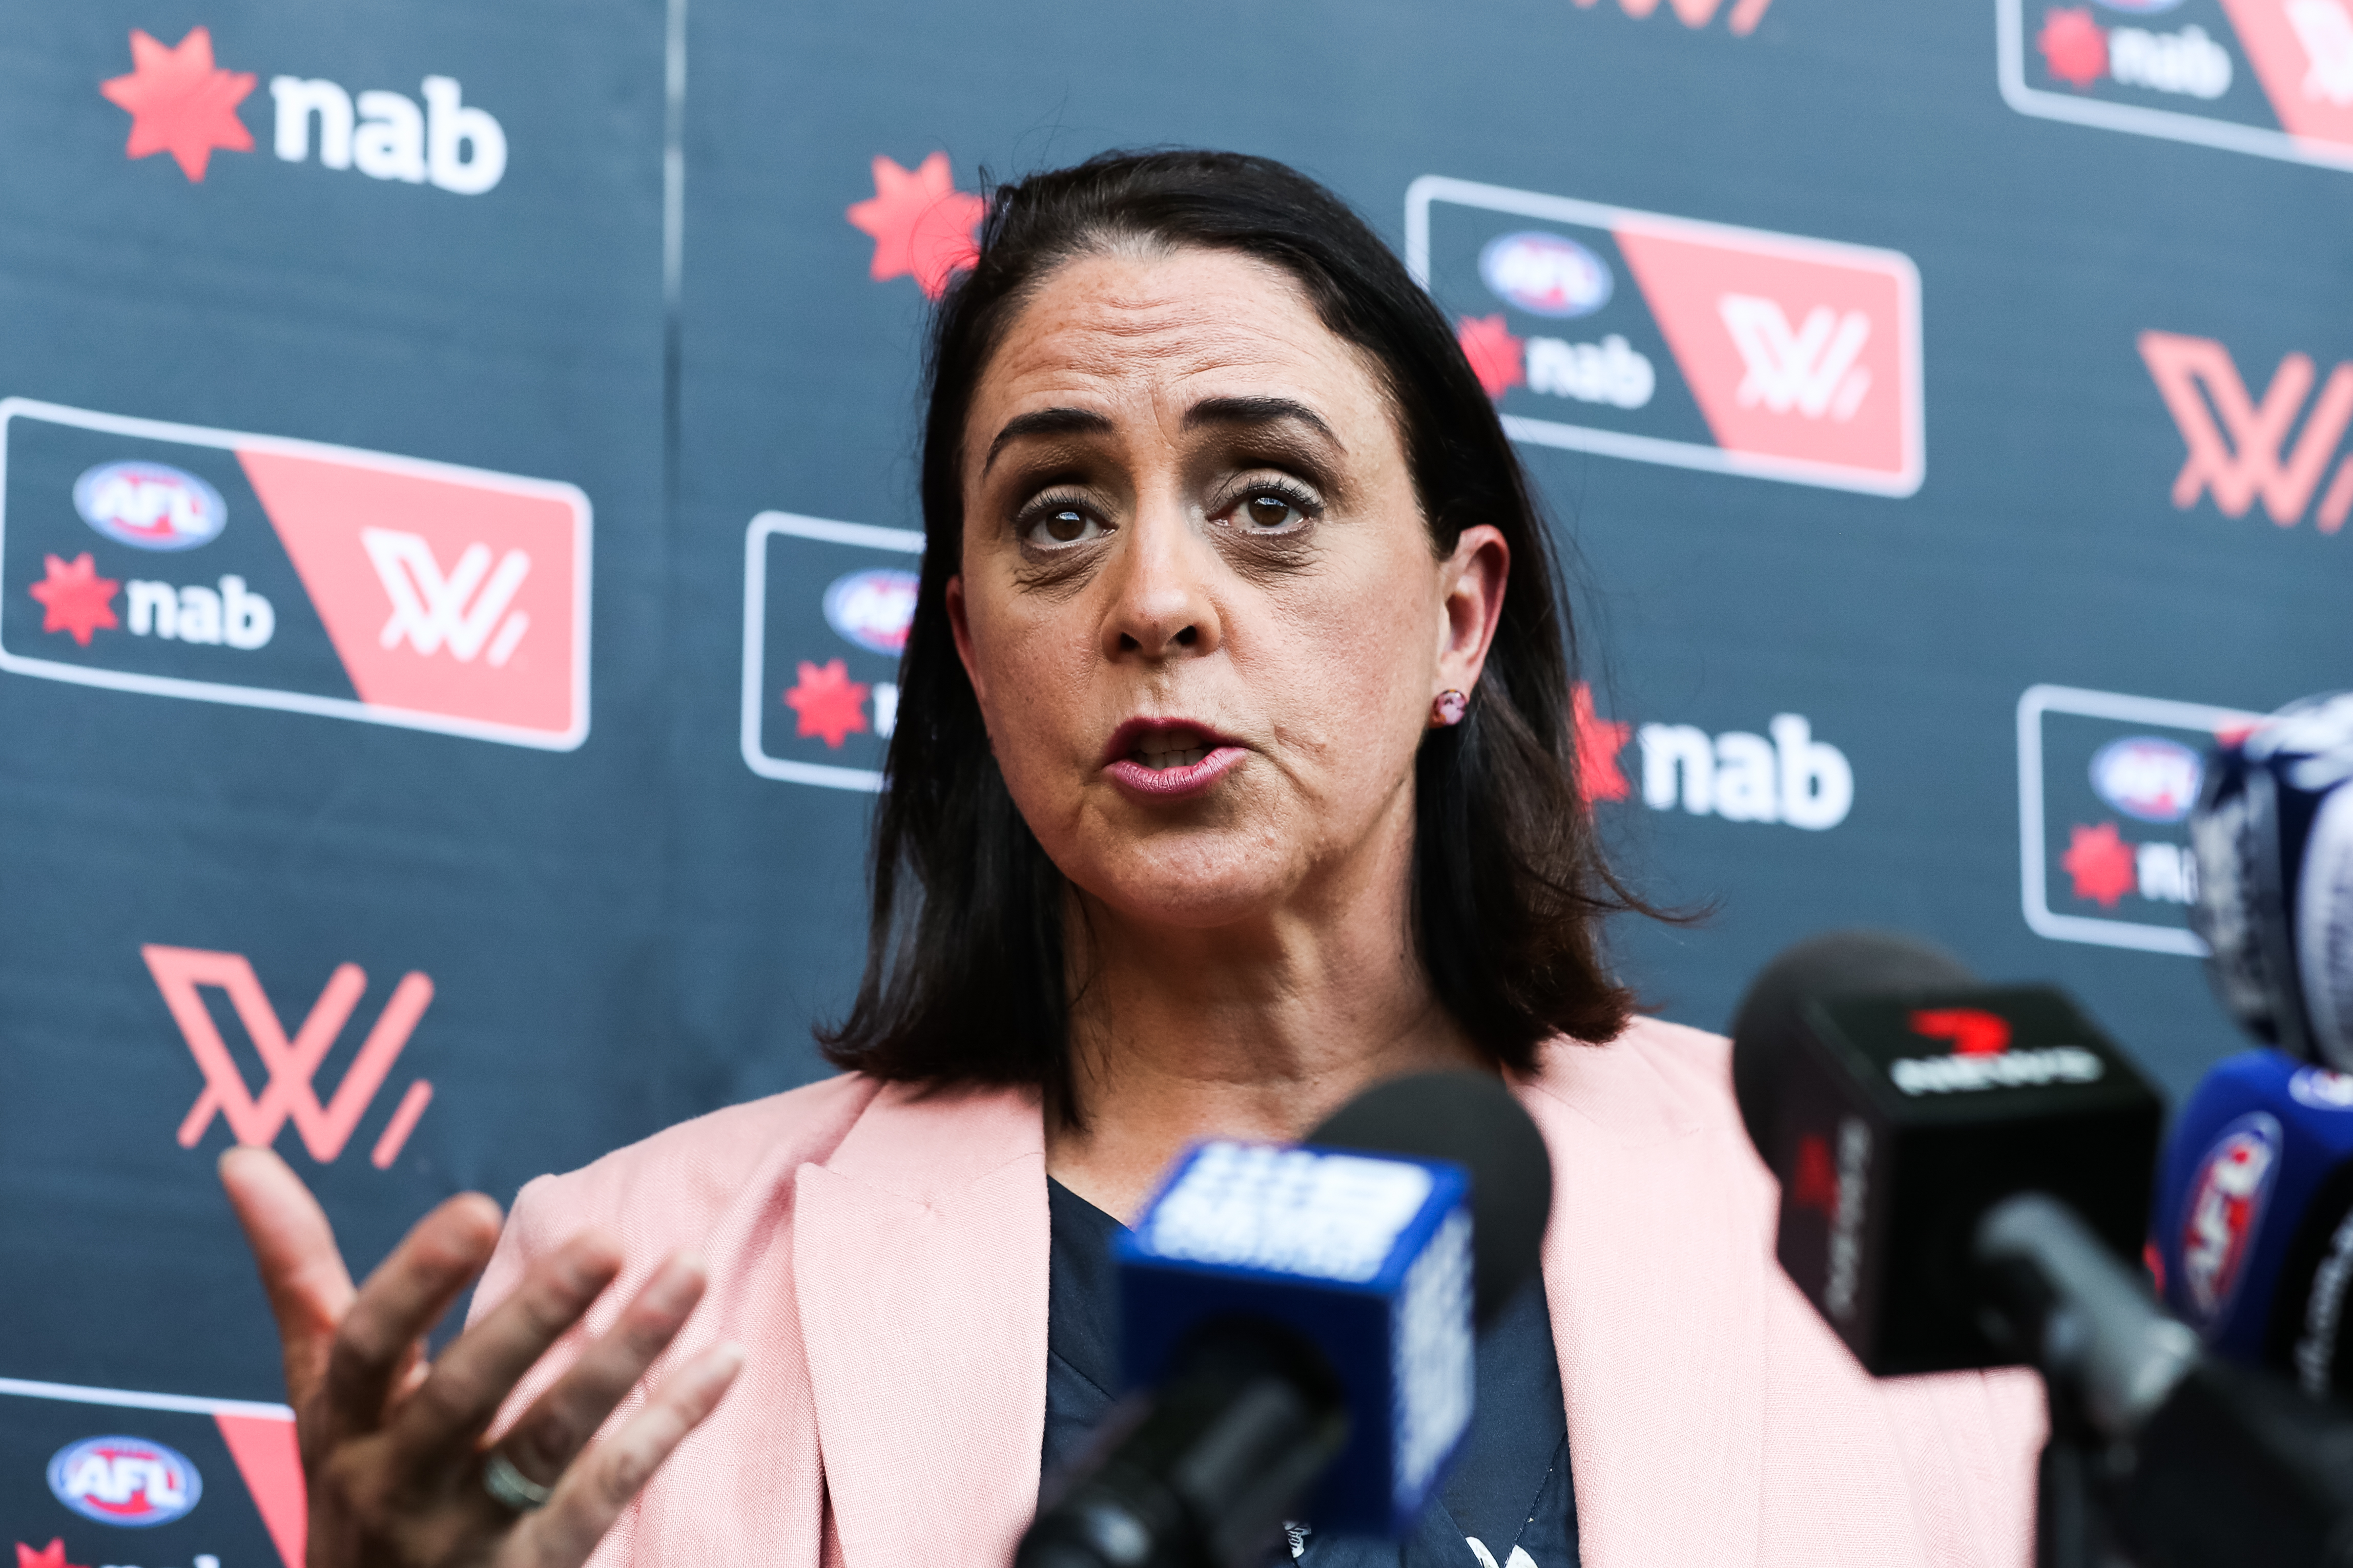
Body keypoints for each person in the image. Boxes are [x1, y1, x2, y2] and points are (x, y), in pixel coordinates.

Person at [220, 150, 2042, 1568]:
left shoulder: (1844, 1223)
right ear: (970, 650)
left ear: (1458, 625)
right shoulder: (634, 1282)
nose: (1157, 601)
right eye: (1059, 516)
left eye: (1269, 500)